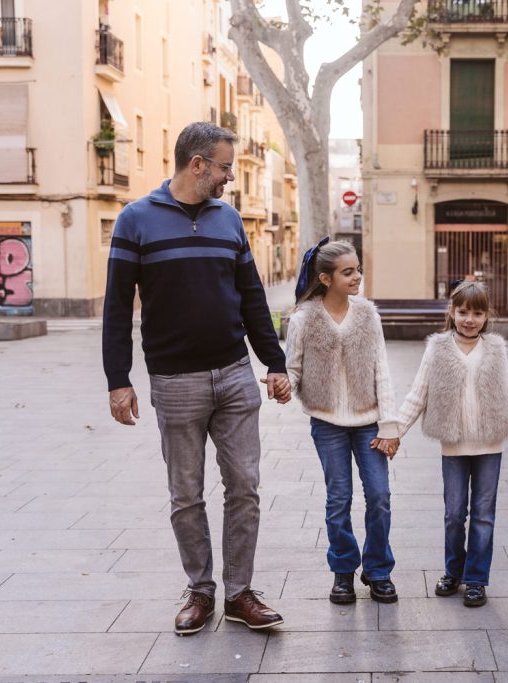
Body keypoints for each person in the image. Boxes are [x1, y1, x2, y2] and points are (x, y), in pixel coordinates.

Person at [103, 122, 289, 635]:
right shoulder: (135, 220)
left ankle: (240, 594)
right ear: (198, 164)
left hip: (234, 375)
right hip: (175, 380)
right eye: (226, 167)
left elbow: (252, 297)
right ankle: (201, 590)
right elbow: (117, 308)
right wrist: (118, 379)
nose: (231, 177)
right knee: (186, 495)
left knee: (245, 487)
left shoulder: (228, 220)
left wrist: (273, 363)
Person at [396, 281, 508, 608]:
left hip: (489, 445)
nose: (469, 319)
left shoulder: (495, 348)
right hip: (454, 446)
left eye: (477, 313)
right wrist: (394, 432)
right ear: (451, 311)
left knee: (483, 515)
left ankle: (476, 578)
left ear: (486, 316)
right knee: (453, 514)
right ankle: (453, 570)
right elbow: (417, 395)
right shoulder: (437, 348)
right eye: (463, 311)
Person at [286, 238, 401, 604]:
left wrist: (390, 424)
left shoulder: (368, 314)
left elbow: (381, 368)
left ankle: (378, 570)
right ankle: (342, 572)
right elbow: (292, 369)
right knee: (339, 499)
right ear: (325, 278)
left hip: (370, 422)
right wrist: (282, 387)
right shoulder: (303, 318)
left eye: (358, 270)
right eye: (347, 272)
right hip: (327, 423)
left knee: (379, 496)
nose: (357, 277)